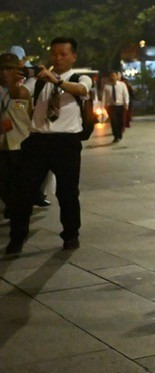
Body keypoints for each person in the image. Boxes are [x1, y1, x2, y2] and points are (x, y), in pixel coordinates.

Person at [8, 37, 93, 255]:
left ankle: (71, 235)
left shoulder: (79, 77)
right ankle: (17, 238)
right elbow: (21, 96)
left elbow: (81, 89)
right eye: (54, 53)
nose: (57, 58)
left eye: (63, 54)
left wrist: (55, 81)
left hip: (66, 142)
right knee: (23, 191)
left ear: (73, 56)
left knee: (68, 192)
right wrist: (14, 83)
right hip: (37, 140)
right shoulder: (38, 80)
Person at [0, 53, 32, 222]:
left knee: (19, 184)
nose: (5, 73)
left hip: (19, 144)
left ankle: (18, 213)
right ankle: (13, 207)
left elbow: (21, 101)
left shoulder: (22, 91)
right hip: (2, 145)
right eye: (2, 69)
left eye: (10, 69)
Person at [102, 70, 130, 143]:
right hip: (111, 106)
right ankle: (116, 136)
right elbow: (104, 97)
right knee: (113, 121)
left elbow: (125, 94)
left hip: (120, 105)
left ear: (117, 76)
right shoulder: (106, 86)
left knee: (120, 122)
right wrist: (103, 106)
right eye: (111, 76)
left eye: (114, 76)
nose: (113, 77)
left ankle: (119, 135)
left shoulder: (122, 85)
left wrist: (126, 103)